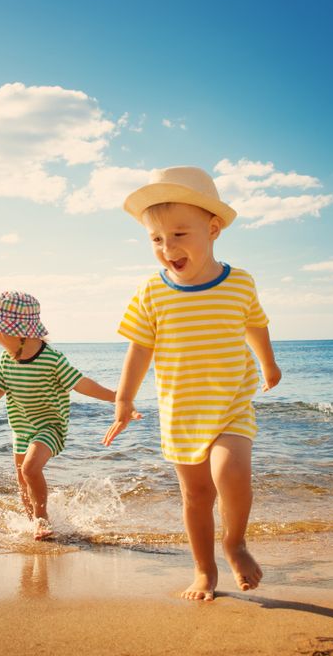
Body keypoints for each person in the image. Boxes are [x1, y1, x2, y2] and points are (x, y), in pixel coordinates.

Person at [103, 165, 281, 601]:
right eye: (157, 240)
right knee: (196, 496)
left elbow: (255, 326)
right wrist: (124, 398)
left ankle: (234, 542)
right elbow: (140, 348)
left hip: (231, 405)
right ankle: (204, 571)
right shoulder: (151, 292)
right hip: (181, 412)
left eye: (180, 235)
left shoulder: (239, 282)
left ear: (213, 228)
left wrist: (269, 365)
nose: (168, 248)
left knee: (231, 472)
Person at [0, 291, 126, 540]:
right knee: (23, 482)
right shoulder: (6, 360)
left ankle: (42, 520)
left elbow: (82, 384)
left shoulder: (52, 359)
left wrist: (118, 397)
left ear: (18, 332)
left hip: (50, 426)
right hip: (21, 428)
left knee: (29, 469)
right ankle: (35, 527)